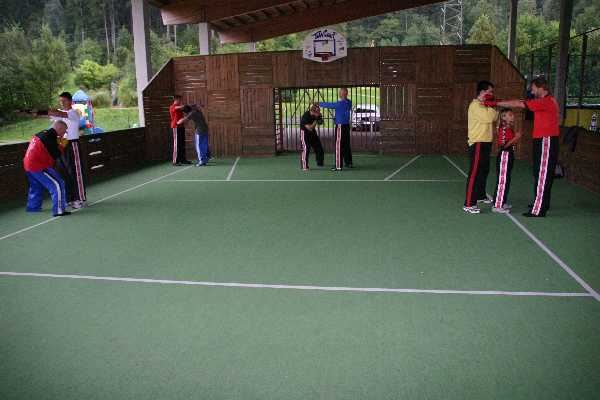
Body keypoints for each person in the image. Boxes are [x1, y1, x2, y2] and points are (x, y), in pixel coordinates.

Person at [495, 77, 560, 217]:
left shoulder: (546, 101)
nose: (532, 91)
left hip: (546, 139)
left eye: (533, 88)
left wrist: (496, 103)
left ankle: (538, 209)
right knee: (539, 172)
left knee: (542, 173)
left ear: (541, 87)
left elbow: (518, 103)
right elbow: (521, 101)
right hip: (542, 139)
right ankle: (541, 202)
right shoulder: (544, 101)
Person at [463, 81, 499, 214]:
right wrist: (492, 106)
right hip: (478, 142)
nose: (492, 94)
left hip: (486, 142)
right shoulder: (475, 105)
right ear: (482, 92)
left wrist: (491, 106)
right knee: (475, 173)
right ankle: (469, 204)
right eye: (490, 91)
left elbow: (496, 115)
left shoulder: (485, 105)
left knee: (484, 171)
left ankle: (480, 195)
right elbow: (490, 117)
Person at [23, 121, 70, 217]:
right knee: (58, 184)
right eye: (64, 131)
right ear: (59, 128)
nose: (64, 133)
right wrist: (62, 145)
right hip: (38, 166)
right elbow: (56, 154)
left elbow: (47, 148)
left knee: (36, 186)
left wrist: (58, 142)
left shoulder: (43, 133)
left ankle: (33, 207)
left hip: (28, 165)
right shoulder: (49, 138)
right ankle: (59, 211)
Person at [48, 91, 86, 209]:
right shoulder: (59, 115)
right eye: (60, 101)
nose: (62, 103)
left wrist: (44, 111)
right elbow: (51, 114)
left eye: (64, 101)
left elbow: (59, 113)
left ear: (70, 101)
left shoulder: (73, 113)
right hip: (61, 145)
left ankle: (80, 199)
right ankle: (70, 198)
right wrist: (34, 112)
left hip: (72, 145)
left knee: (75, 172)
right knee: (63, 172)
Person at [491, 109, 522, 214]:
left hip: (509, 154)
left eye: (512, 114)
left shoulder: (509, 128)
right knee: (502, 180)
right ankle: (497, 205)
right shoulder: (503, 129)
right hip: (505, 155)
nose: (512, 116)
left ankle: (502, 201)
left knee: (506, 179)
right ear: (503, 117)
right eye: (510, 115)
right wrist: (516, 138)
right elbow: (504, 145)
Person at [320, 88, 352, 171]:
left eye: (340, 92)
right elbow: (342, 112)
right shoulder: (349, 102)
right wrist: (337, 117)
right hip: (346, 126)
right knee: (346, 145)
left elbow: (329, 105)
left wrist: (318, 103)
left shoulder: (339, 104)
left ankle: (338, 166)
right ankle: (348, 162)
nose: (339, 94)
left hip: (340, 126)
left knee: (338, 145)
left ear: (342, 94)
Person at [299, 104, 325, 170]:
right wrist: (316, 120)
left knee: (319, 147)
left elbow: (321, 123)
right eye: (318, 112)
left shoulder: (317, 115)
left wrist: (320, 119)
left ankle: (320, 163)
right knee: (306, 148)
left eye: (319, 111)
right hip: (305, 133)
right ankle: (304, 166)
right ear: (313, 111)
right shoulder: (305, 116)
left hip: (313, 133)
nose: (319, 113)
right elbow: (310, 128)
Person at [169, 95, 191, 166]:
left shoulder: (180, 107)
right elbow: (177, 107)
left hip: (181, 126)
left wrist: (190, 107)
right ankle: (175, 161)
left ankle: (182, 159)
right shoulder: (172, 107)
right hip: (175, 127)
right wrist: (183, 106)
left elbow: (187, 110)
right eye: (180, 99)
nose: (181, 101)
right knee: (176, 144)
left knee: (182, 144)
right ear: (176, 99)